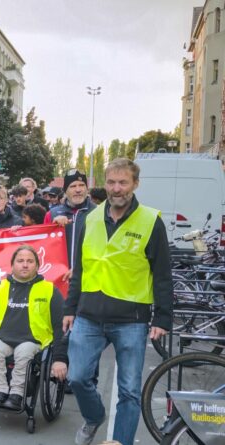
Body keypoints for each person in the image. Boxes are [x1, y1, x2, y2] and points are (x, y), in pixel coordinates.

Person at [64, 159, 172, 445]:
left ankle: (121, 442)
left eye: (123, 182)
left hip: (131, 320)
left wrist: (162, 318)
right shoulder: (91, 218)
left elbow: (162, 274)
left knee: (129, 391)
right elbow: (81, 267)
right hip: (88, 314)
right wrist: (69, 308)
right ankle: (94, 416)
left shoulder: (151, 221)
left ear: (135, 184)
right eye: (111, 182)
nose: (116, 188)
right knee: (77, 378)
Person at [0, 245, 68, 410]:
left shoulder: (49, 291)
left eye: (29, 261)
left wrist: (59, 359)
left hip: (33, 341)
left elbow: (60, 326)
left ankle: (17, 394)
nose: (25, 265)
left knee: (24, 351)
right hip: (2, 338)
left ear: (37, 265)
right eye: (20, 261)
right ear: (12, 265)